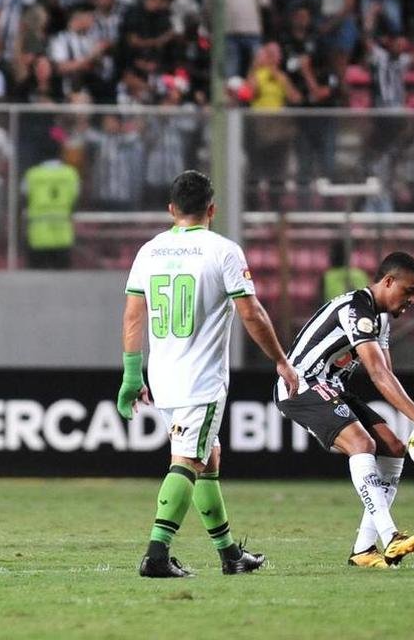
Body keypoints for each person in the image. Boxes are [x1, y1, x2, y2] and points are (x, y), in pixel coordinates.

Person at [118, 171, 300, 577]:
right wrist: (281, 360)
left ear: (171, 209)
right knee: (187, 460)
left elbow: (134, 313)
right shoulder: (223, 251)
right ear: (211, 210)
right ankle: (157, 555)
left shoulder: (150, 250)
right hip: (200, 381)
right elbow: (251, 312)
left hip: (162, 378)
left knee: (208, 456)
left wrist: (133, 374)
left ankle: (230, 555)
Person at [276, 252, 414, 568]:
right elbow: (377, 372)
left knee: (394, 449)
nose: (412, 300)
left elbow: (386, 372)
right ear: (388, 281)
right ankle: (391, 537)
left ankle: (363, 551)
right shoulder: (357, 309)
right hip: (301, 385)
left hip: (333, 388)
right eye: (408, 291)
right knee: (362, 444)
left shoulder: (380, 318)